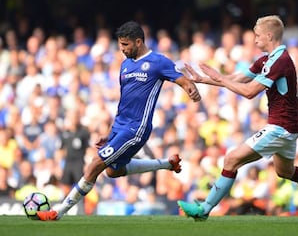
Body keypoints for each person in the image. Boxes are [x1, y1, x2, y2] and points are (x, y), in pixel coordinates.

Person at [178, 15, 298, 223]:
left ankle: (204, 209)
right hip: (289, 125)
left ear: (269, 35)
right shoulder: (267, 59)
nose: (254, 39)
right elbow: (238, 80)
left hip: (280, 126)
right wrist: (204, 80)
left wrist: (219, 77)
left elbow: (249, 92)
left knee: (231, 159)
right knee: (285, 171)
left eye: (257, 35)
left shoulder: (280, 61)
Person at [37, 21, 201, 220]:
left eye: (125, 45)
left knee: (94, 164)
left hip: (136, 129)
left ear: (138, 42)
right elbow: (124, 102)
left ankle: (58, 212)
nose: (122, 49)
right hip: (120, 126)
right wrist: (110, 131)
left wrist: (191, 90)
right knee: (113, 173)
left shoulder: (158, 61)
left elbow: (182, 79)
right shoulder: (125, 65)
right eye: (120, 44)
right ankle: (167, 163)